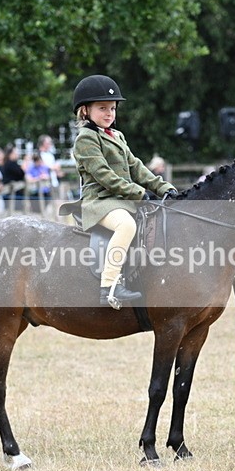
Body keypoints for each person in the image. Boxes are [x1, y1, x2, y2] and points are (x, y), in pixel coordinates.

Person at [71, 74, 178, 307]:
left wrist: (164, 188)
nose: (109, 113)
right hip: (99, 201)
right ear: (85, 111)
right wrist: (138, 193)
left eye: (112, 108)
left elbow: (136, 167)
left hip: (120, 200)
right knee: (126, 225)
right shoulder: (85, 139)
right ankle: (109, 287)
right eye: (102, 108)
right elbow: (103, 175)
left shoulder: (117, 135)